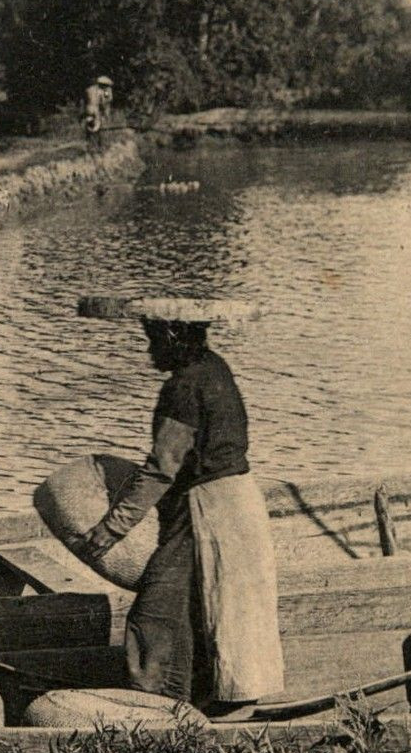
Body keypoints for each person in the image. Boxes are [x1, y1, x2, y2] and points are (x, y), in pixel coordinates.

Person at [70, 301, 284, 708]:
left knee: (153, 616)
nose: (149, 350)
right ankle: (195, 700)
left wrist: (111, 527)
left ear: (173, 338)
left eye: (153, 339)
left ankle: (152, 710)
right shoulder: (214, 367)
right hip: (237, 502)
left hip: (207, 511)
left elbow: (161, 469)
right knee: (198, 609)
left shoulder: (184, 386)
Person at [83, 75, 113, 146]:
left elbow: (84, 100)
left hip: (88, 108)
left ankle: (88, 141)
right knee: (97, 125)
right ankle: (99, 143)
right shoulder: (103, 91)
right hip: (96, 108)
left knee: (89, 123)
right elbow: (105, 101)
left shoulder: (88, 89)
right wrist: (104, 110)